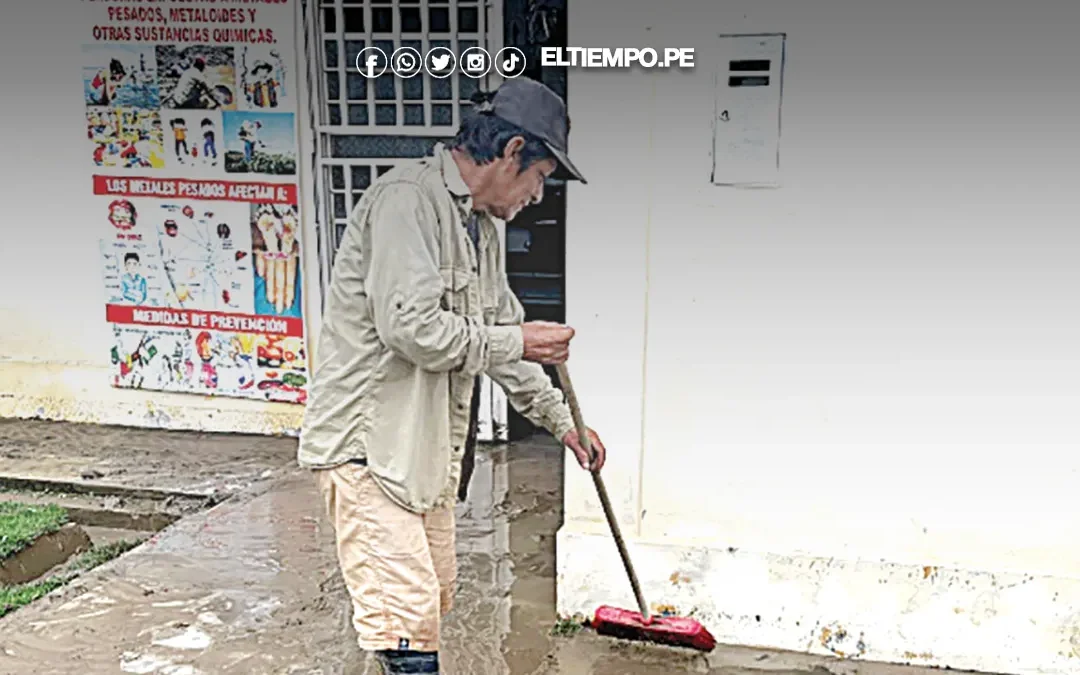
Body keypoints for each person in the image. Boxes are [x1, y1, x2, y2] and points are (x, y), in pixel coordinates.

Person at [297, 77, 606, 675]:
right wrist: (519, 339)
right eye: (540, 177)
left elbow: (502, 341)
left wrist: (565, 423)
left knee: (430, 601)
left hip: (423, 451)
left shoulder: (479, 228)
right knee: (405, 621)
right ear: (511, 152)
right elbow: (411, 329)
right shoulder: (406, 201)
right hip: (369, 450)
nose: (538, 196)